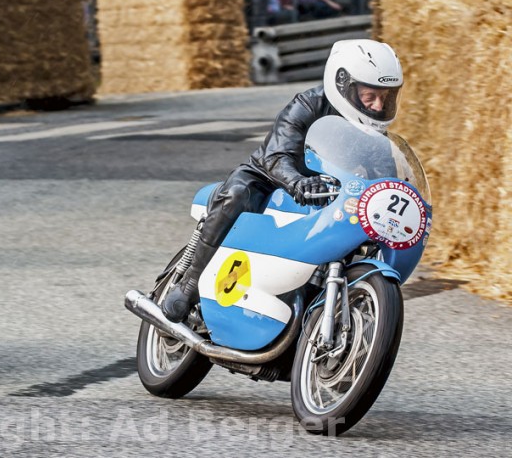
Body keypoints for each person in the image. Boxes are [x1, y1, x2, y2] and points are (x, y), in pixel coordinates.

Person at [161, 39, 404, 322]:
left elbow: (383, 176)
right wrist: (299, 182)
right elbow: (277, 156)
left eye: (386, 97)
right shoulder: (307, 105)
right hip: (270, 178)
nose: (378, 105)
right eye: (369, 95)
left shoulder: (374, 134)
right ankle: (190, 283)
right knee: (237, 194)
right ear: (343, 84)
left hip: (326, 191)